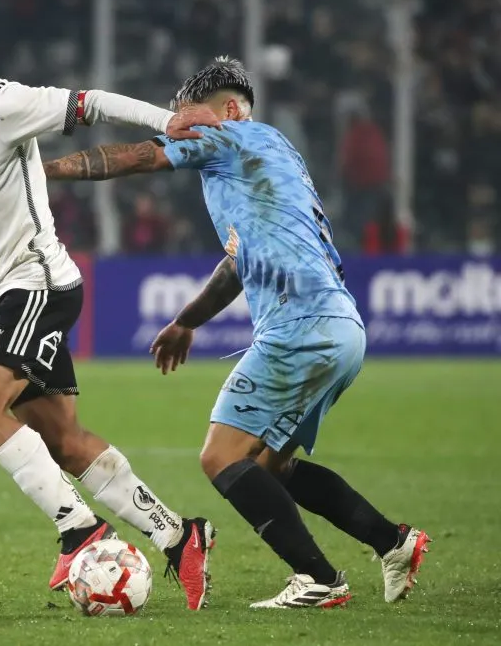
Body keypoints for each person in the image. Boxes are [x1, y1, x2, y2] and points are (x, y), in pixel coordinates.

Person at [42, 57, 431, 609]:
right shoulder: (271, 158)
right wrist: (186, 322)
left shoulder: (231, 136)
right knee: (271, 466)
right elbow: (236, 266)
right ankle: (393, 543)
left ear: (227, 110)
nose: (178, 129)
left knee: (220, 457)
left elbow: (139, 156)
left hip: (302, 325)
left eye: (186, 119)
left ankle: (318, 578)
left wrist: (41, 170)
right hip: (339, 325)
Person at [0, 18, 220, 610]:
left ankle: (80, 531)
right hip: (5, 293)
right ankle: (179, 536)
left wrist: (167, 121)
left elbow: (92, 101)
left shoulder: (4, 105)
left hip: (36, 287)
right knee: (64, 442)